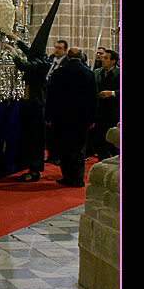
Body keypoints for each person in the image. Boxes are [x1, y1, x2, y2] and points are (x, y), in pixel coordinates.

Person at [3, 0, 66, 183]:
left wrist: (13, 52)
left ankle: (35, 170)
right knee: (28, 138)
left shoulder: (42, 63)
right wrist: (17, 40)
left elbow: (26, 65)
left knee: (34, 139)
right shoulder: (39, 57)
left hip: (36, 105)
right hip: (31, 103)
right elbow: (30, 53)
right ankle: (30, 166)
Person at [44, 47, 98, 187]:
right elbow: (93, 98)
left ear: (68, 57)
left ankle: (67, 177)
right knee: (79, 148)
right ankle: (78, 179)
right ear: (81, 57)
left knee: (65, 148)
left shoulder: (59, 73)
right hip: (82, 118)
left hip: (62, 117)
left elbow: (51, 96)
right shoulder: (89, 73)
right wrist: (93, 118)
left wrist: (48, 115)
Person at [44, 39, 68, 164]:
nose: (57, 50)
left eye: (60, 48)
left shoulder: (66, 64)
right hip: (49, 97)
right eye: (56, 47)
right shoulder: (52, 61)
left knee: (59, 132)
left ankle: (58, 156)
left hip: (60, 102)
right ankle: (52, 155)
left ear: (65, 50)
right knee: (50, 133)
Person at [94, 49, 120, 161]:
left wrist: (112, 93)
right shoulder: (97, 73)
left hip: (114, 113)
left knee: (114, 143)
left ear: (113, 61)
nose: (102, 60)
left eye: (106, 58)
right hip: (100, 113)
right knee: (100, 142)